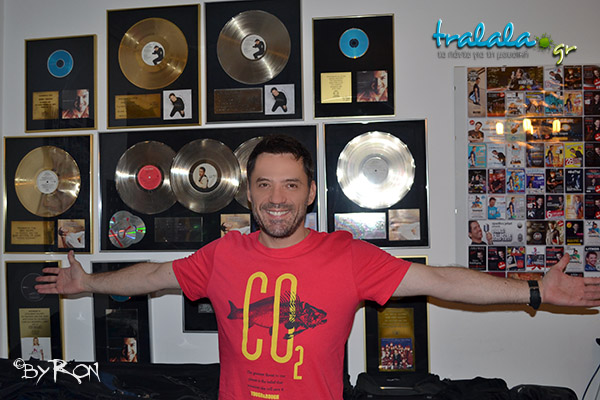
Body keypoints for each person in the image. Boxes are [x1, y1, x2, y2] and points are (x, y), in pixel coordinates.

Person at [36, 135, 600, 400]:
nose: (276, 198)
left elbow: (441, 281)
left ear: (310, 193)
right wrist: (86, 283)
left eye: (290, 185)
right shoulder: (223, 254)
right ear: (249, 195)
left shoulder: (347, 255)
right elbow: (155, 276)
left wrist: (533, 290)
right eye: (264, 185)